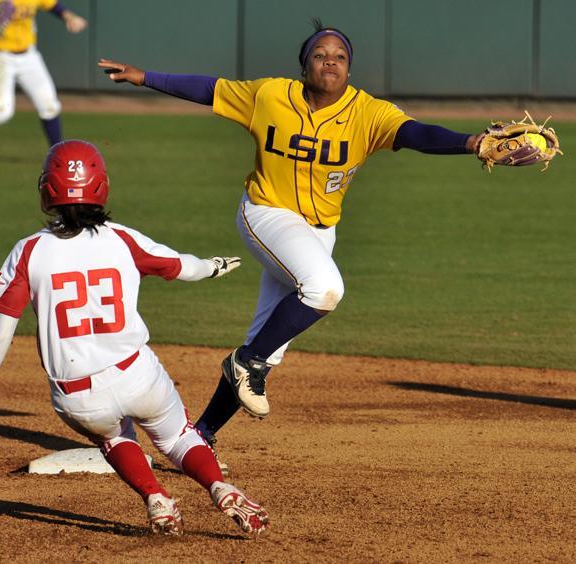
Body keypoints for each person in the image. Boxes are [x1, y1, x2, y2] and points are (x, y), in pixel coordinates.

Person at [98, 19, 486, 462]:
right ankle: (246, 361)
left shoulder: (368, 113)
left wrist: (470, 142)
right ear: (304, 65)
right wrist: (145, 77)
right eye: (321, 55)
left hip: (321, 231)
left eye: (340, 57)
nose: (331, 62)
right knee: (324, 289)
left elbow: (417, 134)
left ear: (349, 69)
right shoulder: (270, 96)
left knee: (271, 341)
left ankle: (201, 432)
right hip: (266, 213)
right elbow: (211, 89)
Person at [0, 140, 269, 537]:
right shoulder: (120, 239)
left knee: (113, 438)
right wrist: (212, 267)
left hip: (77, 396)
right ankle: (219, 486)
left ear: (46, 190)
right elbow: (182, 267)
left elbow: (3, 323)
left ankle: (156, 499)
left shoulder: (28, 252)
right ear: (102, 186)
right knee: (179, 437)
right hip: (136, 374)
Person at [0, 0, 87, 153]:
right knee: (0, 114)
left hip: (29, 56)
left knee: (49, 106)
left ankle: (57, 153)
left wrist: (69, 17)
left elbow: (53, 5)